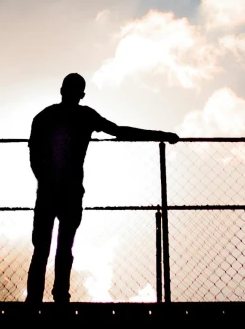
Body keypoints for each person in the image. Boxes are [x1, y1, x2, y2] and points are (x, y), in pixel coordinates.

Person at [25, 72, 178, 303]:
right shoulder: (84, 116)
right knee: (63, 247)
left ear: (62, 90)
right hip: (70, 192)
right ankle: (59, 297)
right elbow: (120, 131)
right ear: (82, 95)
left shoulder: (44, 116)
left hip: (48, 192)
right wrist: (161, 135)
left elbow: (33, 155)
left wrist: (44, 181)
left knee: (43, 249)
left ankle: (35, 299)